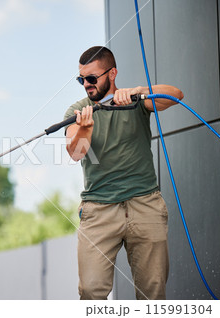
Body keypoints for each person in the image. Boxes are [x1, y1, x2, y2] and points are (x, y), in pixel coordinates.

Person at [64, 46, 184, 300]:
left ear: (112, 73)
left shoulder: (137, 101)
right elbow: (75, 153)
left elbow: (176, 95)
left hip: (145, 205)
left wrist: (139, 91)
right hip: (98, 211)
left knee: (152, 290)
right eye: (81, 79)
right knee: (90, 290)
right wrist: (84, 129)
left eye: (92, 78)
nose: (86, 84)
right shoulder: (76, 111)